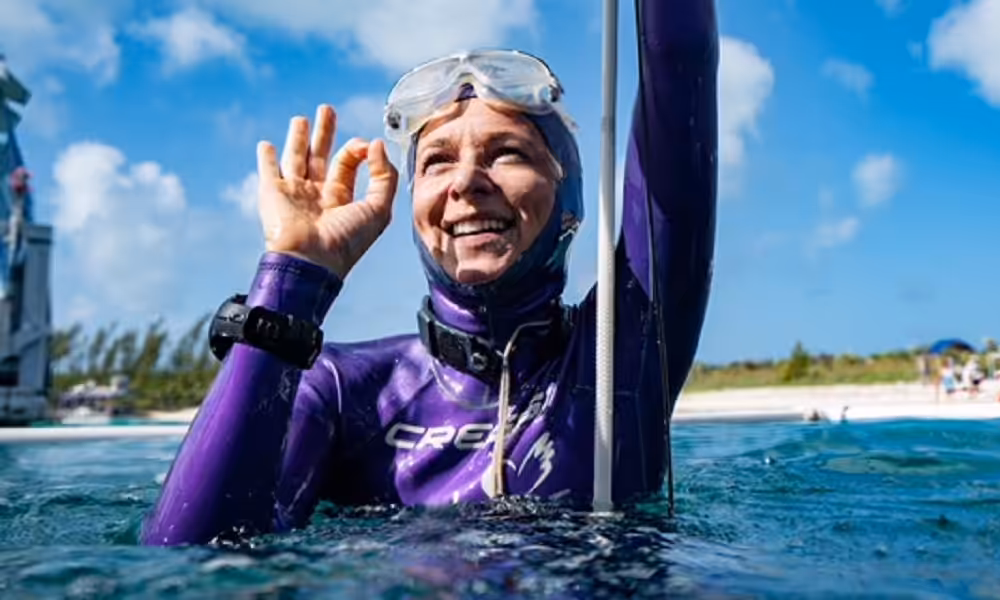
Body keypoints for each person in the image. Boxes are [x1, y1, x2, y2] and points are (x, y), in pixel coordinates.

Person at [140, 0, 718, 546]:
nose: (467, 182)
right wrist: (294, 275)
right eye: (438, 161)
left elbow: (679, 66)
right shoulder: (345, 389)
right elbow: (195, 557)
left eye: (508, 153)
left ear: (569, 199)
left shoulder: (622, 355)